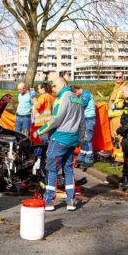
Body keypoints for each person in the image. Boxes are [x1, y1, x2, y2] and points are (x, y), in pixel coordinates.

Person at [34, 77, 85, 211]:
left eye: (55, 86)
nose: (53, 89)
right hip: (72, 140)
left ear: (63, 84)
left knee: (52, 170)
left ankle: (49, 202)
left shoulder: (63, 97)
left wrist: (39, 131)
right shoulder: (77, 98)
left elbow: (56, 119)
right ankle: (71, 202)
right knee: (68, 170)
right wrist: (79, 139)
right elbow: (82, 122)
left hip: (59, 139)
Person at [107, 71, 128, 162]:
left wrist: (116, 106)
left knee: (118, 137)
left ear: (123, 77)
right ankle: (116, 156)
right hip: (112, 116)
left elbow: (127, 101)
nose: (118, 79)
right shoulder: (115, 87)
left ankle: (120, 159)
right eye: (116, 77)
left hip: (119, 116)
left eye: (120, 77)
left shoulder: (125, 87)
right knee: (113, 137)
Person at [72, 86, 96, 169]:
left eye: (75, 94)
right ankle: (81, 156)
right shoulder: (82, 95)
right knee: (83, 139)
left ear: (77, 92)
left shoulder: (85, 94)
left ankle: (89, 158)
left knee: (88, 138)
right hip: (85, 117)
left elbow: (81, 105)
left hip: (89, 118)